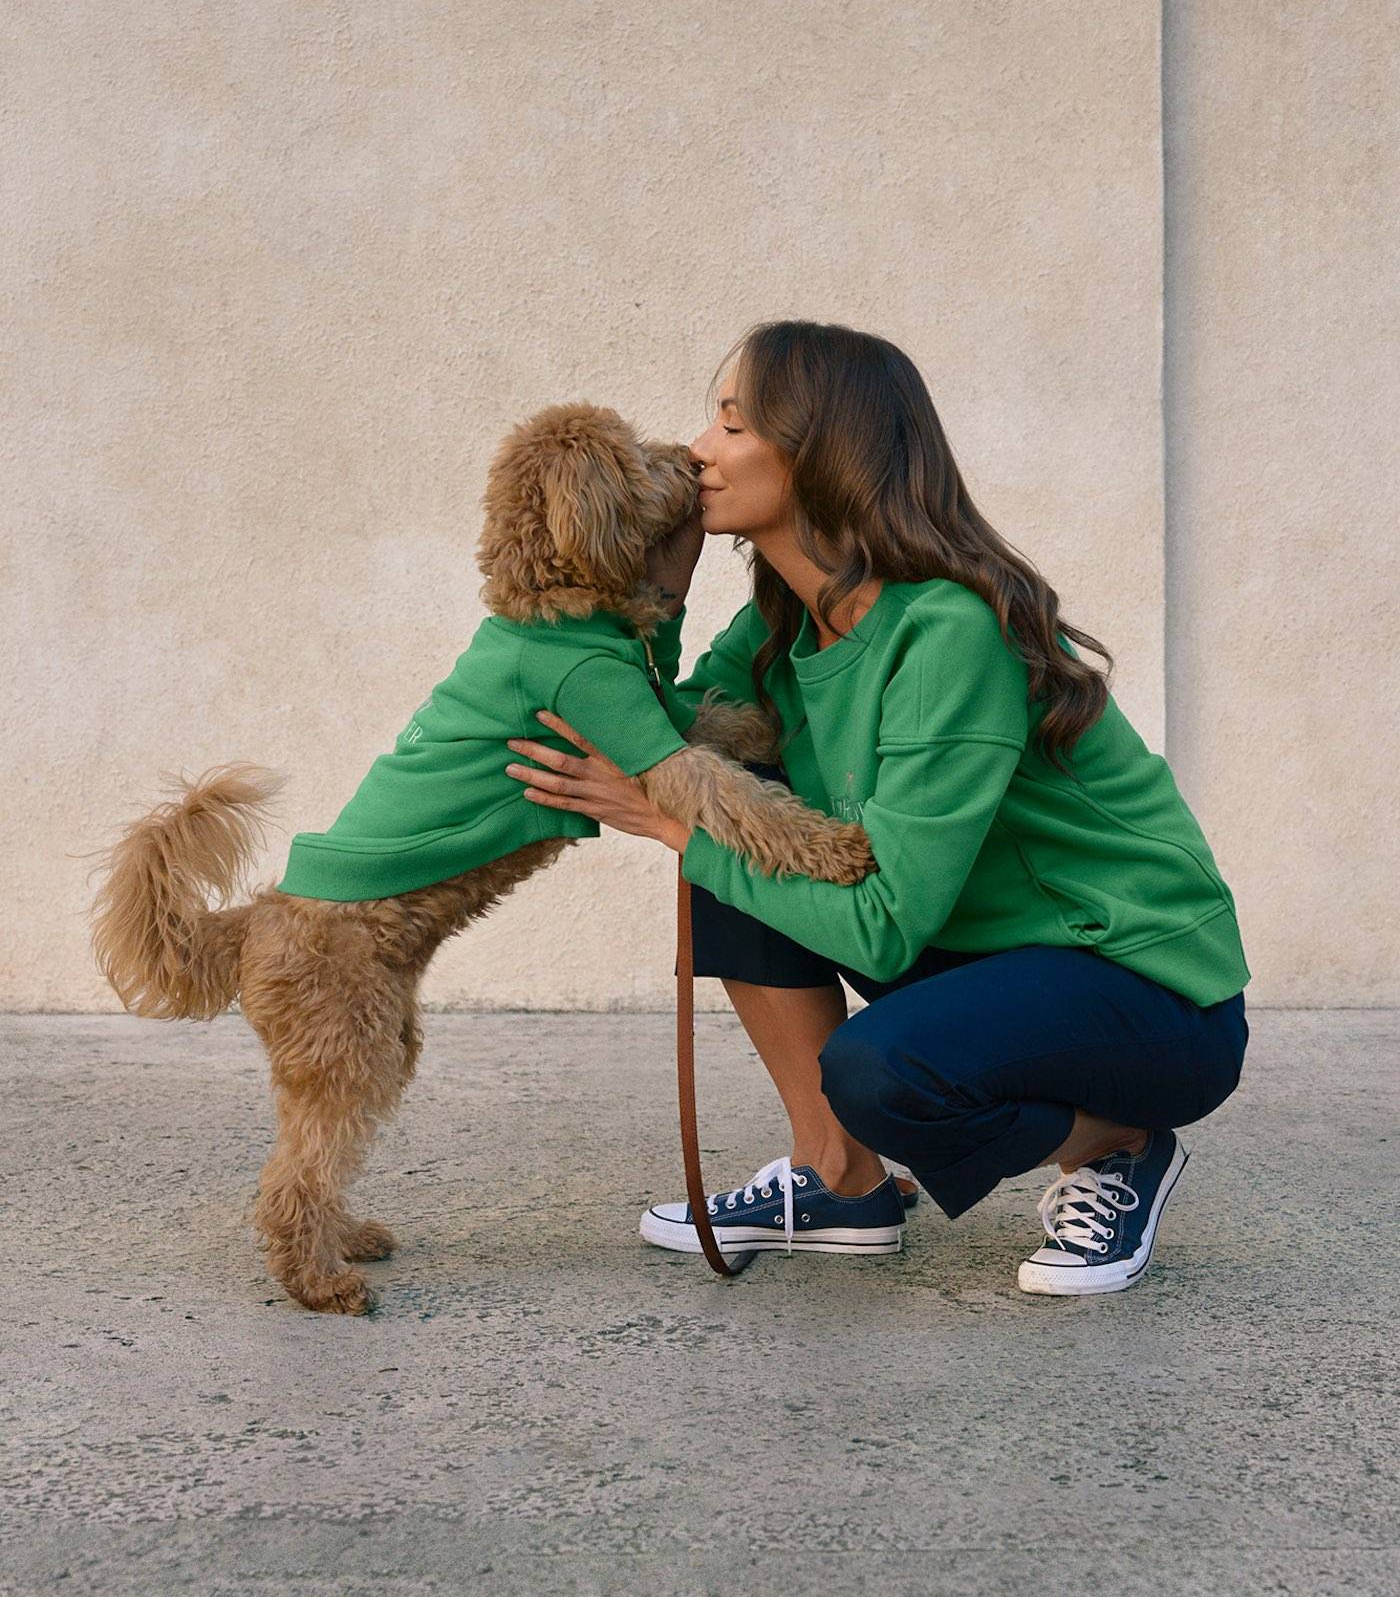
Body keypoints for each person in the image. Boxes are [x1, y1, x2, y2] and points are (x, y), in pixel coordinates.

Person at [502, 320, 1250, 1296]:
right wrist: (661, 590)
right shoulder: (784, 624)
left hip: (1137, 989)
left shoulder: (947, 632)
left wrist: (669, 818)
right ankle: (838, 1179)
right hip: (975, 954)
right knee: (737, 806)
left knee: (879, 1069)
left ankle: (1118, 1143)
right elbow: (659, 736)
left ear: (818, 448)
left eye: (731, 422)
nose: (696, 450)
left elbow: (885, 929)